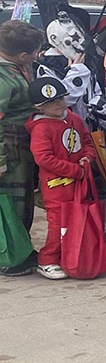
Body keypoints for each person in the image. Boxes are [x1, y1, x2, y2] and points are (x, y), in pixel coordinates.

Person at [25, 75, 99, 280]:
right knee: (58, 224)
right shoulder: (41, 128)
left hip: (79, 184)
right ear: (40, 107)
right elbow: (44, 158)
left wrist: (87, 157)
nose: (58, 104)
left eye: (60, 99)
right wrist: (75, 170)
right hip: (56, 186)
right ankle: (47, 259)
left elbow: (86, 141)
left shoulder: (73, 118)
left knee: (77, 219)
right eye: (50, 102)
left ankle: (70, 256)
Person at [0, 20, 42, 276]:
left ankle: (21, 249)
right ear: (23, 55)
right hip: (11, 149)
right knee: (13, 204)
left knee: (24, 201)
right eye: (36, 52)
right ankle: (12, 259)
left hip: (23, 147)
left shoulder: (18, 68)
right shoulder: (4, 78)